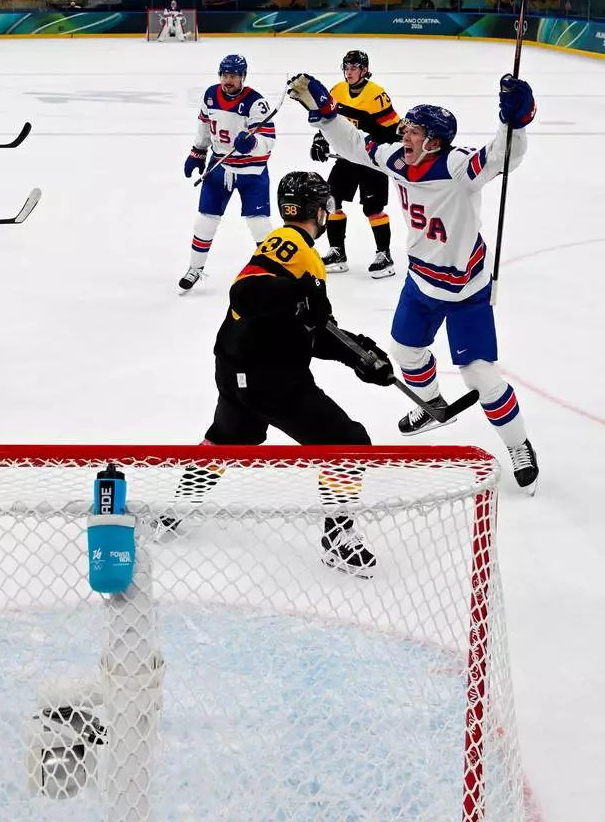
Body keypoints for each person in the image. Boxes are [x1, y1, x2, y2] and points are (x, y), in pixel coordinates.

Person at [288, 72, 540, 492]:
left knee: (481, 377)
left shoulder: (458, 168)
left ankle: (519, 445)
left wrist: (515, 119)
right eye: (405, 128)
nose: (404, 136)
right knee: (405, 351)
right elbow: (355, 145)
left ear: (435, 142)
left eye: (414, 132)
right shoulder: (398, 160)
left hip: (465, 290)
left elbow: (502, 156)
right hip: (421, 280)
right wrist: (325, 114)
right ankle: (433, 402)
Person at [180, 171, 395, 577]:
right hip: (270, 378)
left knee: (229, 438)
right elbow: (245, 294)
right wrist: (300, 293)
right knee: (347, 443)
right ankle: (339, 538)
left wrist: (359, 355)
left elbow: (310, 327)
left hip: (235, 368)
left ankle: (176, 507)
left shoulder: (293, 250)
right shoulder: (292, 245)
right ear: (320, 210)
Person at [180, 54, 276, 293]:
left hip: (251, 172)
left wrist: (252, 144)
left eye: (233, 76)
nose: (228, 80)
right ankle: (195, 269)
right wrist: (198, 152)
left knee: (259, 226)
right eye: (224, 75)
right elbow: (204, 125)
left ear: (242, 77)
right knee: (204, 222)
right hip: (219, 166)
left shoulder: (256, 103)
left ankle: (274, 272)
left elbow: (269, 140)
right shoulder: (210, 95)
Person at [309, 50, 401, 278]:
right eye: (346, 68)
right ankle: (337, 251)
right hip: (346, 158)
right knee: (332, 201)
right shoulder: (337, 91)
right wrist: (320, 138)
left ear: (364, 70)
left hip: (371, 159)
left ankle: (384, 255)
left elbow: (394, 128)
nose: (349, 72)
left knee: (373, 209)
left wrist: (396, 153)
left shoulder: (377, 95)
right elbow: (327, 120)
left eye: (354, 68)